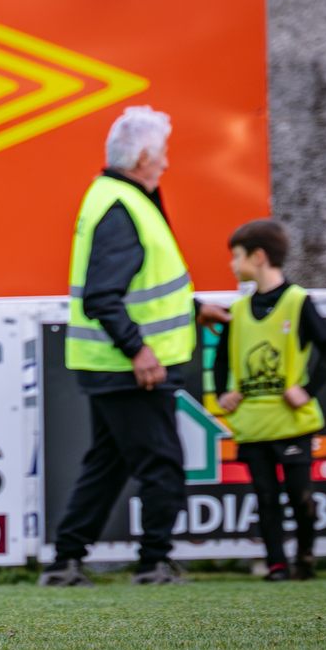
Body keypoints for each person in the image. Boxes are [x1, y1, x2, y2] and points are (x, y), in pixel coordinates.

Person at [43, 105, 227, 588]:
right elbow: (104, 295)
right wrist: (138, 351)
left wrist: (194, 309)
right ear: (144, 156)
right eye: (162, 153)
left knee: (108, 463)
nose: (167, 162)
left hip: (114, 363)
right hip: (132, 366)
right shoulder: (124, 206)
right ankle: (153, 564)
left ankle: (65, 561)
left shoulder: (114, 197)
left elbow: (137, 287)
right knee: (162, 463)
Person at [215, 219, 326, 581]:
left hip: (291, 422)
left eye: (236, 256)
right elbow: (220, 358)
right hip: (254, 423)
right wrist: (223, 392)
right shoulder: (238, 310)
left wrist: (308, 390)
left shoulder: (297, 302)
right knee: (265, 497)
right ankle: (276, 565)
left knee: (300, 495)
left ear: (258, 257)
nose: (232, 264)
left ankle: (305, 557)